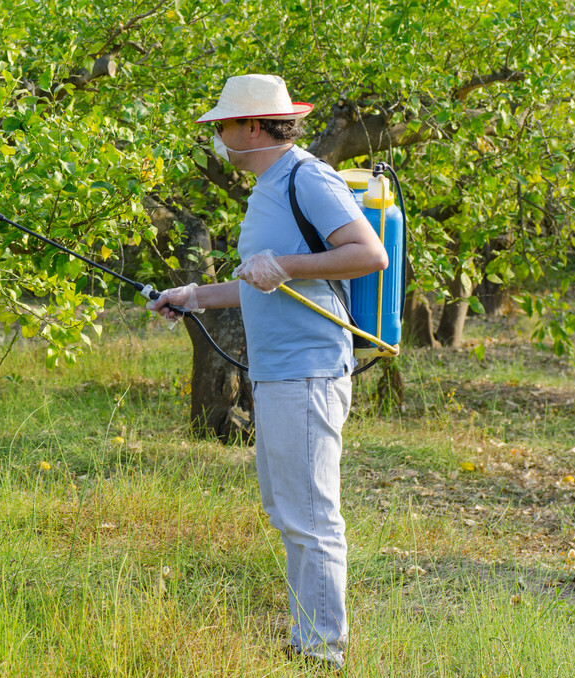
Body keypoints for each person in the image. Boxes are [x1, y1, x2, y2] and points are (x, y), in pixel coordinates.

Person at [148, 74, 388, 669]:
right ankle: (308, 639)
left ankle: (322, 653)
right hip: (281, 370)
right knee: (290, 511)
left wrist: (284, 262)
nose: (218, 138)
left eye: (223, 127)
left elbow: (367, 253)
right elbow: (262, 283)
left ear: (253, 126)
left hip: (308, 369)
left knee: (310, 517)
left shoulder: (307, 177)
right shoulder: (265, 188)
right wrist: (194, 295)